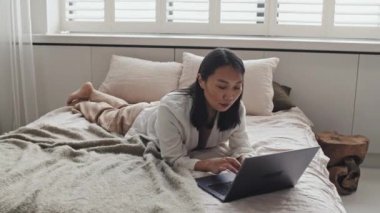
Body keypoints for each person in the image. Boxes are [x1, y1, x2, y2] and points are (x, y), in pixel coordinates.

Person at [66, 48, 254, 174]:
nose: (230, 96)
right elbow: (174, 158)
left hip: (157, 110)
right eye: (222, 87)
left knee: (123, 106)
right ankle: (84, 99)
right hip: (140, 119)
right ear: (201, 81)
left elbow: (241, 144)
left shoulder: (236, 109)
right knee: (107, 116)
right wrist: (205, 164)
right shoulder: (173, 108)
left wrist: (245, 159)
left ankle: (92, 91)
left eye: (237, 87)